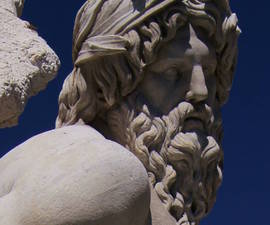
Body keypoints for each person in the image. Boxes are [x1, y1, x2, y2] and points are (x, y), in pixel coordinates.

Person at [0, 0, 240, 224]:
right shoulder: (99, 171)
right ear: (109, 85)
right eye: (173, 72)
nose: (201, 91)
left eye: (208, 72)